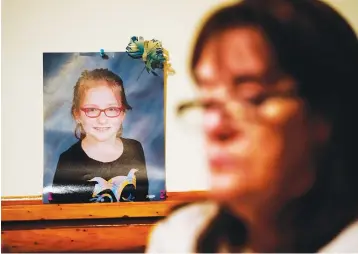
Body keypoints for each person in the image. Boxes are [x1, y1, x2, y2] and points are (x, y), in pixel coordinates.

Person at [146, 0, 358, 252]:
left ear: (326, 112)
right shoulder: (181, 238)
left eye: (252, 97)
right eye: (208, 102)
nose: (215, 126)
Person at [50, 68, 149, 203]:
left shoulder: (136, 149)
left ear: (122, 114)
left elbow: (143, 201)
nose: (102, 120)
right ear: (77, 114)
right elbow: (60, 214)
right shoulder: (68, 162)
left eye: (111, 109)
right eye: (92, 109)